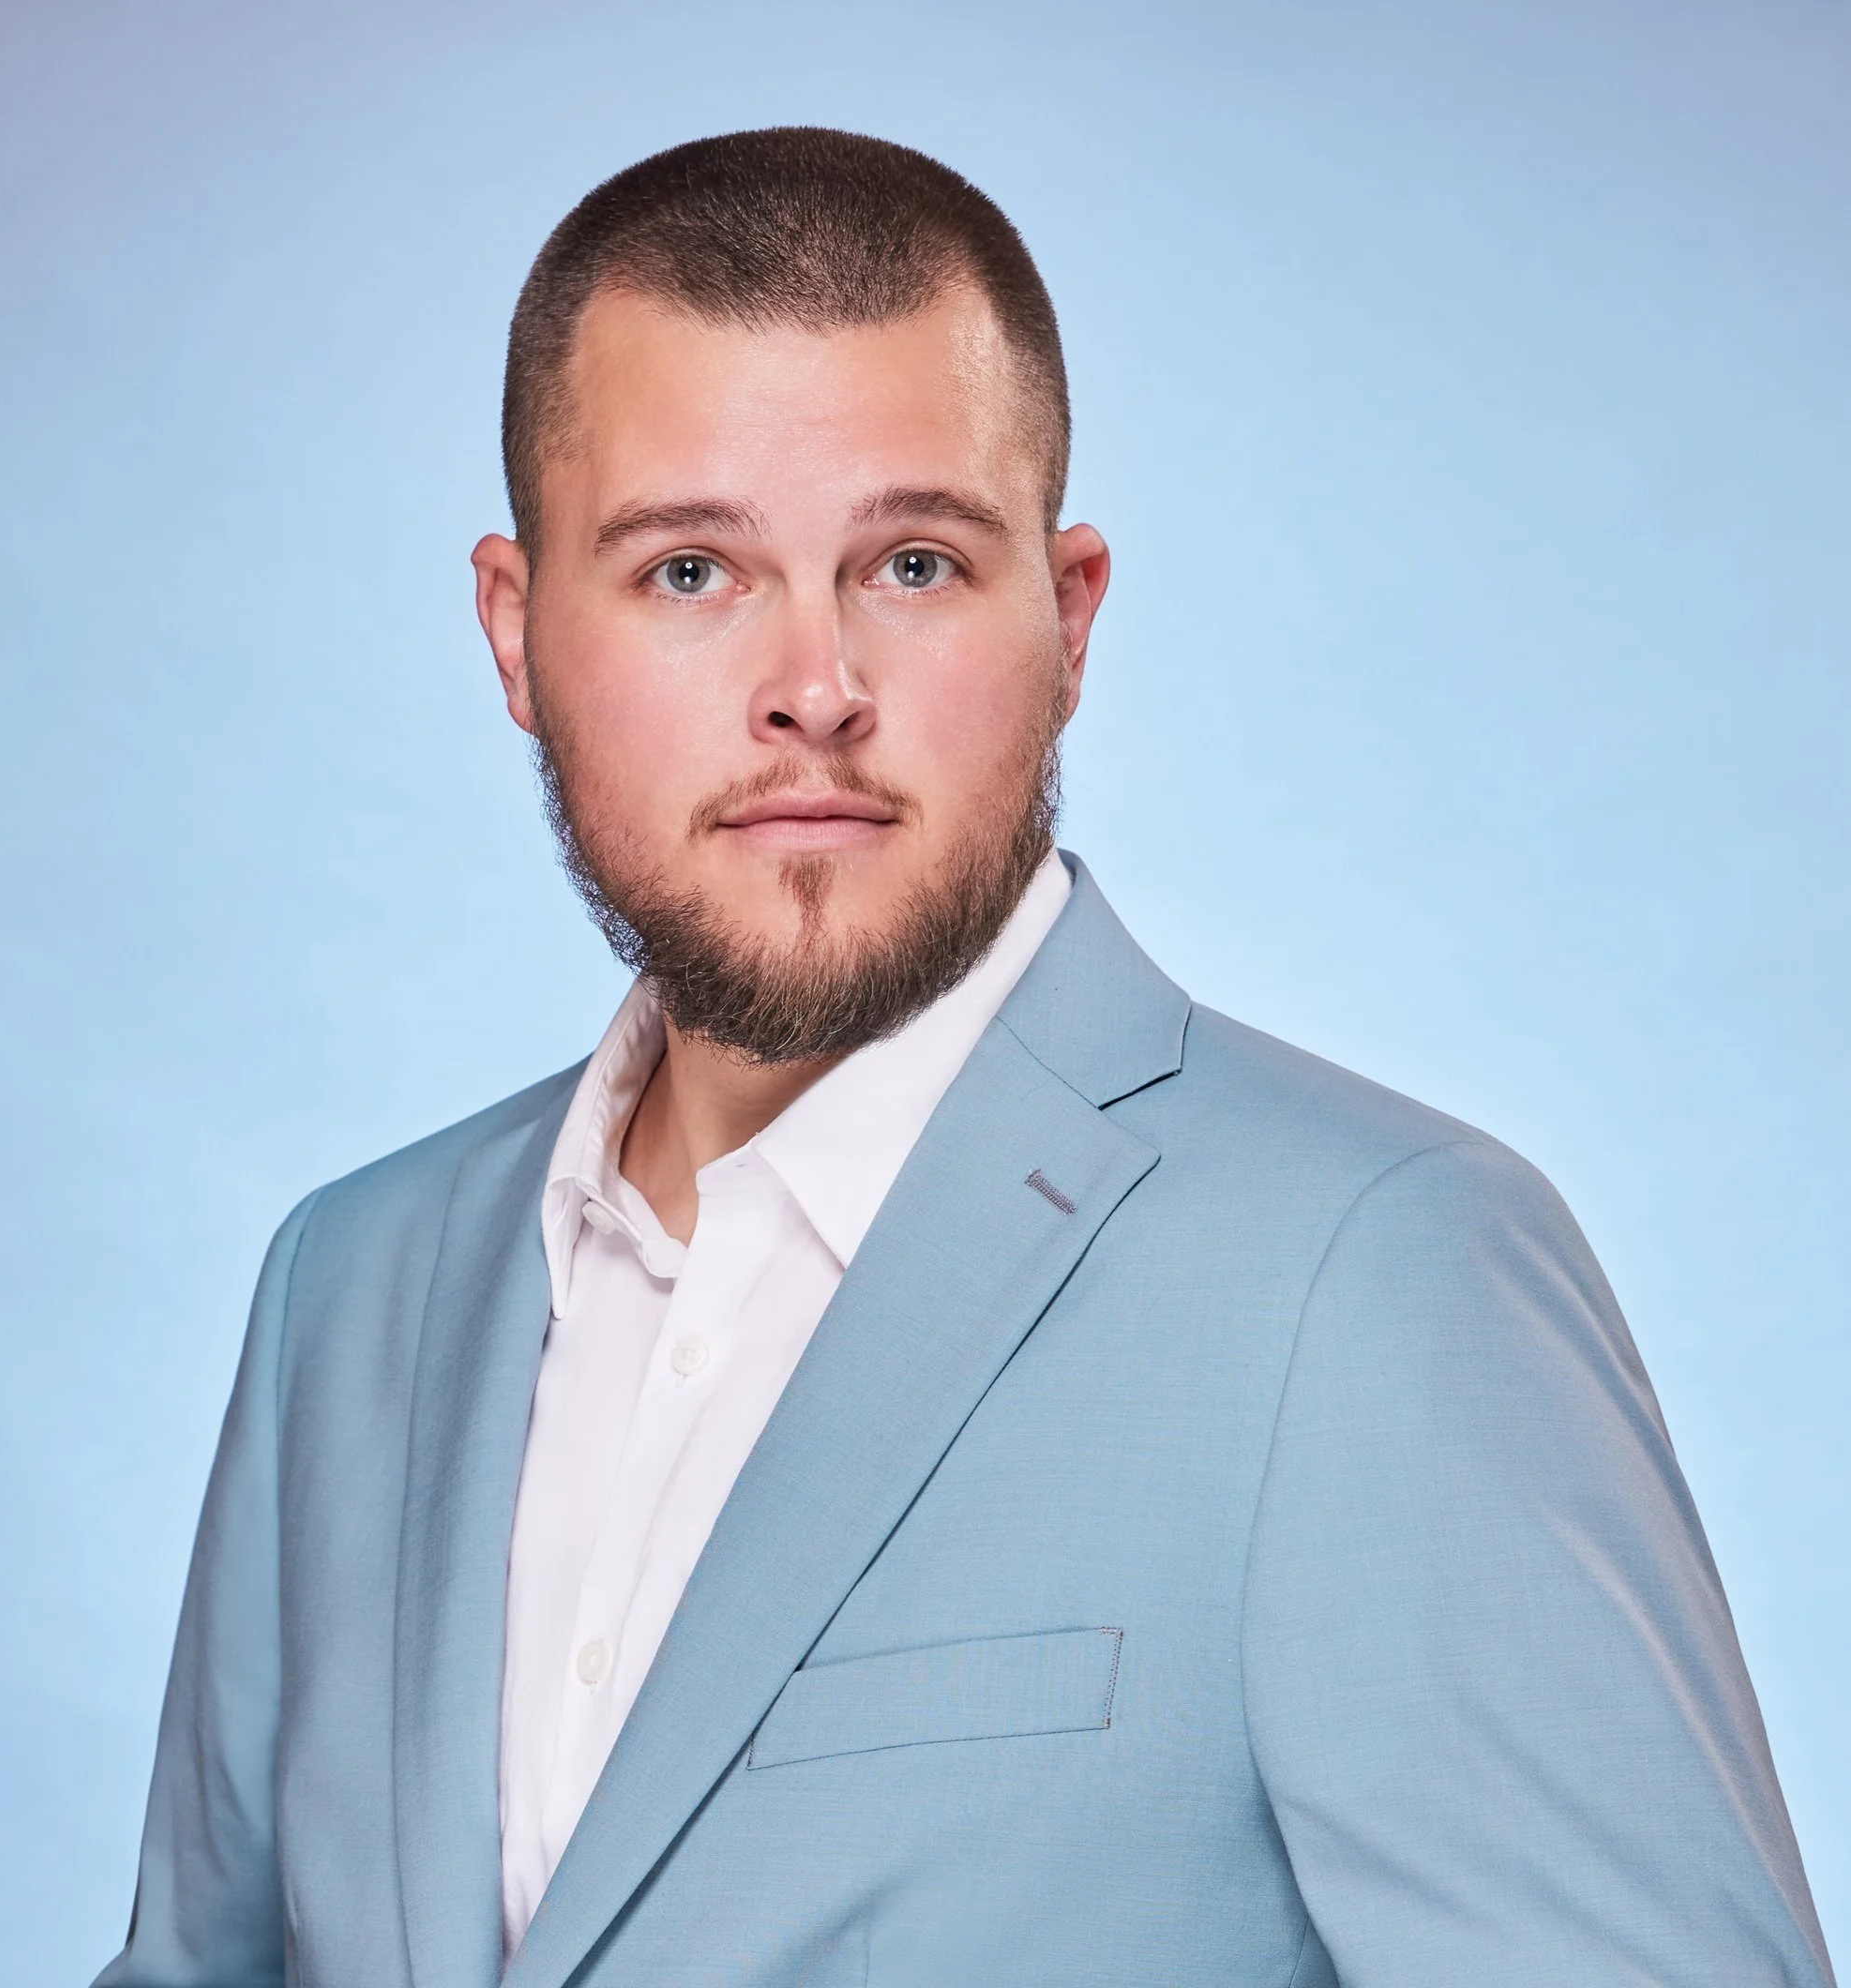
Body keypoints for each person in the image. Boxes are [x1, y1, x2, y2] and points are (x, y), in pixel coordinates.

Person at [94, 128, 1834, 1988]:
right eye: (690, 573)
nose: (814, 685)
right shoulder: (346, 1290)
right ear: (517, 633)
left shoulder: (1380, 1275)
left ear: (1067, 620)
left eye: (911, 563)